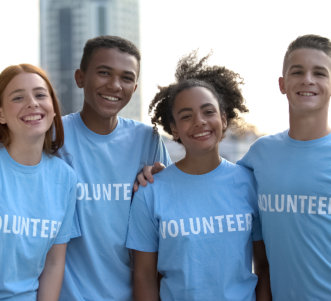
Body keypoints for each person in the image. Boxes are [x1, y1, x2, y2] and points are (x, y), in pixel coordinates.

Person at [126, 52, 271, 300]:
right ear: (174, 128)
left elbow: (264, 267)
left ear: (223, 119)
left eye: (208, 112)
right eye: (186, 116)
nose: (199, 122)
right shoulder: (151, 191)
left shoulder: (250, 184)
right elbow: (144, 277)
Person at [58, 35, 171, 301]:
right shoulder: (53, 136)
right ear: (80, 77)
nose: (115, 85)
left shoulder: (149, 140)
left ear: (135, 87)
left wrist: (166, 182)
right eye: (104, 73)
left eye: (127, 77)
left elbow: (168, 221)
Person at [237, 34, 331, 300]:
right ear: (282, 83)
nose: (308, 80)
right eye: (297, 71)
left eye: (320, 73)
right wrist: (164, 175)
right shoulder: (261, 153)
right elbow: (214, 183)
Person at [0, 64, 77, 300]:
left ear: (53, 108)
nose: (32, 103)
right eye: (18, 97)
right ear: (1, 113)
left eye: (40, 95)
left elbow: (54, 263)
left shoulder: (65, 178)